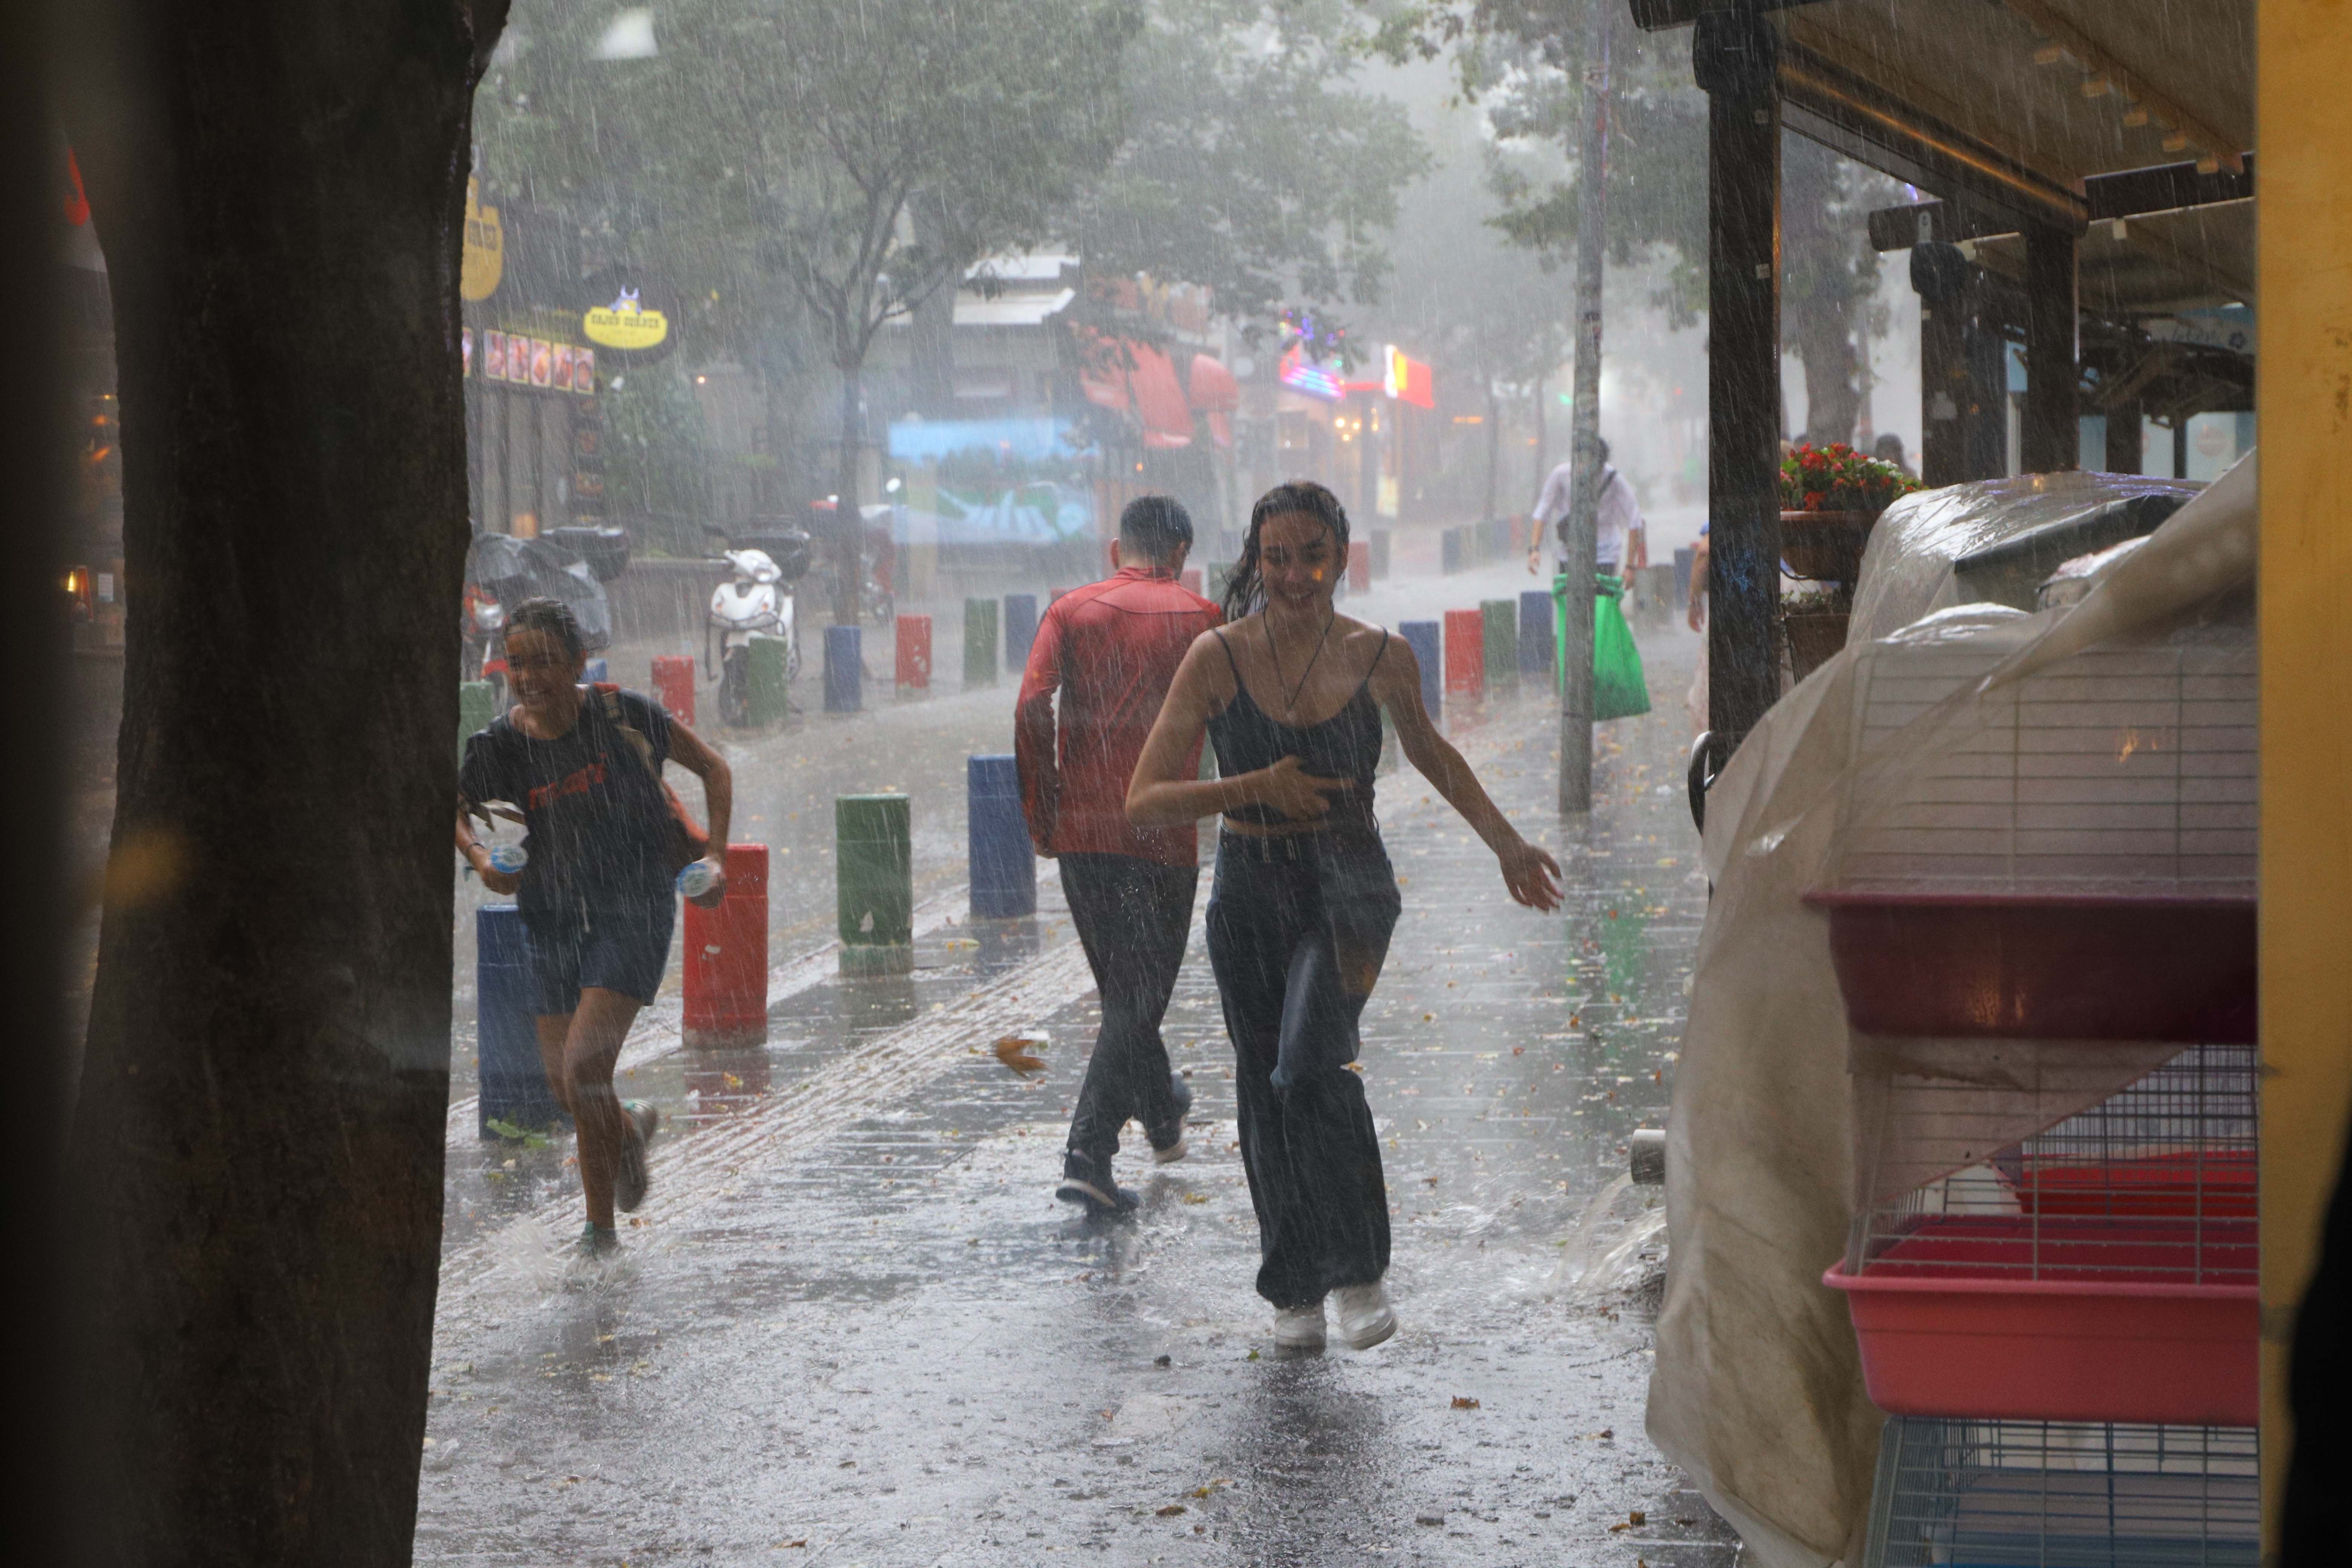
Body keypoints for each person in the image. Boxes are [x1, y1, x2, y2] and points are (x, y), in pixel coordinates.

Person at [1127, 481, 1562, 1353]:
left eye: (1312, 555)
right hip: (1250, 885)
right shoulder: (1216, 657)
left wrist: (1509, 846)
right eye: (1276, 557)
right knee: (1261, 1081)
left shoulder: (1380, 656)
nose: (1294, 575)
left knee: (1309, 1063)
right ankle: (1293, 1290)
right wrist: (1254, 786)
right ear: (1257, 559)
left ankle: (1359, 1271)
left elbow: (1433, 754)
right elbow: (1145, 798)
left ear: (1341, 556)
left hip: (1351, 885)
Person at [455, 597, 734, 1259]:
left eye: (545, 662)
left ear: (579, 662)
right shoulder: (500, 748)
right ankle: (629, 1128)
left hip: (632, 909)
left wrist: (717, 855)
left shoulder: (622, 714)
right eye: (517, 663)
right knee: (568, 1088)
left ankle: (598, 1233)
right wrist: (478, 858)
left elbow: (714, 769)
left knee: (584, 1070)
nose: (528, 677)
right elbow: (458, 809)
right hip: (551, 919)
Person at [1016, 496, 1223, 1217]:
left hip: (1082, 835)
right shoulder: (1203, 620)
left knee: (1124, 1000)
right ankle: (1088, 1153)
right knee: (1137, 1000)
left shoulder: (1071, 611)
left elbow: (1029, 705)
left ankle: (1163, 1112)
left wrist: (1044, 810)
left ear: (1116, 550)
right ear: (1183, 556)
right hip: (1163, 839)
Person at [1528, 437, 1646, 578]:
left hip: (1605, 555)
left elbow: (1635, 520)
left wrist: (1630, 566)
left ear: (1602, 464)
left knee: (1603, 599)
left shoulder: (1614, 479)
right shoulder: (1561, 475)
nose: (1586, 470)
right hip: (1570, 554)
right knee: (1568, 598)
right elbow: (1542, 512)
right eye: (1582, 464)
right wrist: (1534, 549)